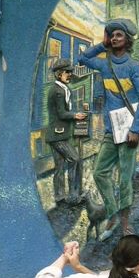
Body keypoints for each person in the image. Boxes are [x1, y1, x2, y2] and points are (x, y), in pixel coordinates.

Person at [79, 19, 139, 240]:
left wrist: (136, 128)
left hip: (129, 132)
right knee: (100, 172)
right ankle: (112, 213)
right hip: (112, 131)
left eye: (119, 35)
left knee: (125, 178)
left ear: (127, 39)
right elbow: (82, 58)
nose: (114, 38)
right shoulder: (104, 63)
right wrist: (102, 45)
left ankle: (125, 223)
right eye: (112, 35)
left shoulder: (134, 66)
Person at [45, 58, 87, 206]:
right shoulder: (57, 91)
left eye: (70, 72)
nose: (70, 74)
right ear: (58, 74)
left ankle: (59, 197)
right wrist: (75, 115)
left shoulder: (62, 88)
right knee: (75, 159)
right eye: (67, 72)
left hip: (57, 134)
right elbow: (62, 114)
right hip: (58, 135)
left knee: (60, 166)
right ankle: (74, 196)